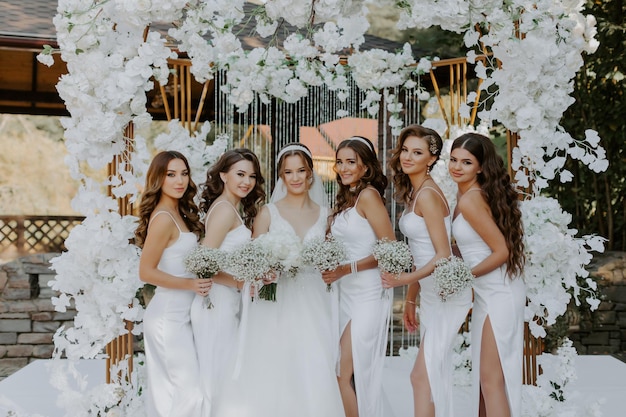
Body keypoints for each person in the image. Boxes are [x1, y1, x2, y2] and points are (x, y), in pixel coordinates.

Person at [214, 143, 345, 417]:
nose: (295, 177)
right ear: (281, 176)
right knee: (273, 364)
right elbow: (253, 260)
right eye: (288, 172)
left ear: (311, 173)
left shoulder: (326, 215)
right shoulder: (267, 213)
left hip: (313, 300)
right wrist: (267, 271)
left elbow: (330, 258)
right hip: (274, 300)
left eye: (301, 170)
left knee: (312, 363)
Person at [381, 125, 472, 417]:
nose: (408, 157)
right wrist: (411, 297)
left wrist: (405, 279)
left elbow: (443, 254)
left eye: (417, 152)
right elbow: (423, 253)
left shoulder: (429, 195)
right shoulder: (416, 191)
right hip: (431, 293)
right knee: (430, 375)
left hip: (448, 295)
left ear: (431, 159)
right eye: (405, 150)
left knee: (421, 376)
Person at [448, 133, 526, 417]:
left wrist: (462, 276)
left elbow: (501, 251)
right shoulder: (468, 195)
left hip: (499, 295)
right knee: (485, 382)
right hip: (488, 295)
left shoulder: (471, 199)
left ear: (480, 167)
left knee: (492, 381)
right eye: (453, 159)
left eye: (466, 162)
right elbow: (474, 246)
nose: (457, 167)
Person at [322, 136, 395, 417]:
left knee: (344, 372)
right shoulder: (347, 198)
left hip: (367, 295)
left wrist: (345, 269)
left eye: (351, 162)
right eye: (339, 162)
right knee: (346, 373)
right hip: (345, 295)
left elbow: (388, 248)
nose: (343, 167)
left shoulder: (368, 196)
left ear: (366, 167)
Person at [190, 148, 265, 414]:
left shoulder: (232, 208)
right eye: (240, 174)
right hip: (216, 304)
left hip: (225, 302)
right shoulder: (224, 210)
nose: (247, 182)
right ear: (223, 175)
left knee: (224, 376)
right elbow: (203, 266)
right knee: (217, 377)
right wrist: (240, 283)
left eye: (252, 176)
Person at [135, 150, 209, 417]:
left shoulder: (179, 213)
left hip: (183, 315)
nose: (179, 181)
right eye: (171, 174)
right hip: (167, 317)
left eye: (184, 173)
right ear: (159, 179)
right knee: (187, 393)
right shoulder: (164, 218)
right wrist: (190, 285)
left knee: (177, 393)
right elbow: (146, 271)